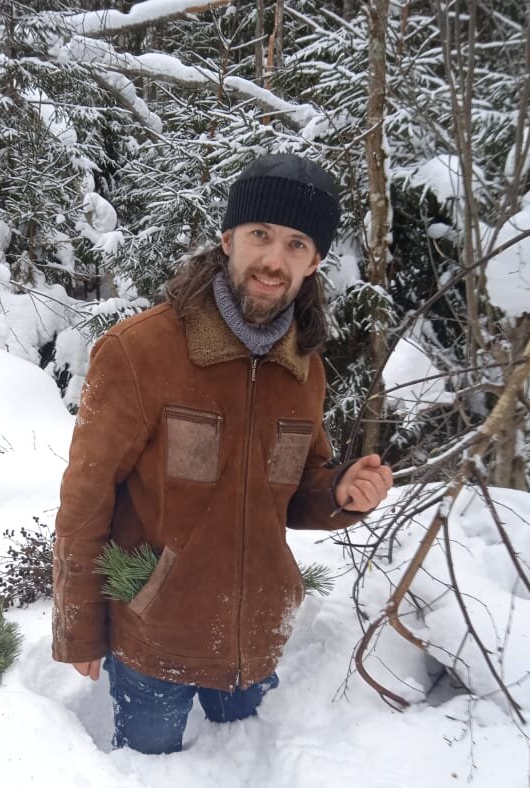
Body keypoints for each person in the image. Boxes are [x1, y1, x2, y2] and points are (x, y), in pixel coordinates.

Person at [52, 153, 393, 754]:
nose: (273, 259)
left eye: (295, 244)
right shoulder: (140, 352)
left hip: (257, 635)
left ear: (314, 263)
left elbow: (293, 487)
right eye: (260, 235)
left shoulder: (304, 368)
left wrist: (339, 492)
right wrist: (79, 631)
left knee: (243, 769)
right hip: (157, 636)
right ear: (227, 237)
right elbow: (85, 499)